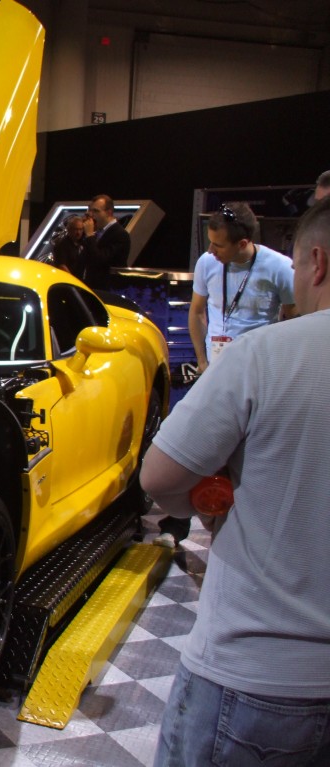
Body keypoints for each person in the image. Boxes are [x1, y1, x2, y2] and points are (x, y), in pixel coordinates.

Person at [141, 197, 330, 767]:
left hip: (259, 679)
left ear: (316, 264)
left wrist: (208, 501)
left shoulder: (266, 356)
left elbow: (159, 476)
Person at [154, 201, 297, 549]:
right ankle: (177, 524)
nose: (212, 252)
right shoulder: (207, 263)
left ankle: (249, 535)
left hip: (259, 379)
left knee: (248, 456)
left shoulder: (280, 268)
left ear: (244, 242)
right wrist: (203, 360)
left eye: (219, 245)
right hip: (215, 370)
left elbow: (292, 321)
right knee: (196, 447)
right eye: (210, 243)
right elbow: (197, 312)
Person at [82, 194, 130, 289]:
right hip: (89, 287)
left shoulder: (120, 234)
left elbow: (100, 260)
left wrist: (90, 236)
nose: (91, 215)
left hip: (107, 289)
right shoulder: (96, 233)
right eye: (90, 210)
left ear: (109, 212)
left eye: (95, 211)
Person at [50, 214, 87, 280]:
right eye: (76, 229)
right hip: (68, 281)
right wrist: (74, 281)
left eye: (80, 229)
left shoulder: (83, 243)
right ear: (69, 229)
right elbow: (62, 266)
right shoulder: (62, 244)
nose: (78, 232)